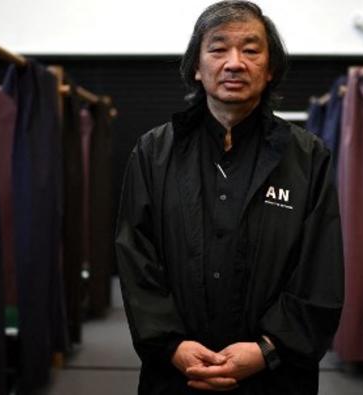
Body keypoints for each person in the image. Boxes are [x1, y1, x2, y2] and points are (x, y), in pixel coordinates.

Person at [115, 1, 344, 393]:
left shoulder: (308, 158)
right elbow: (136, 257)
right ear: (196, 67)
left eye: (251, 50)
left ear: (270, 69)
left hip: (275, 376)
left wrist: (268, 349)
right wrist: (172, 345)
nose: (234, 62)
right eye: (218, 49)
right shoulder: (153, 153)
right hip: (176, 375)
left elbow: (320, 270)